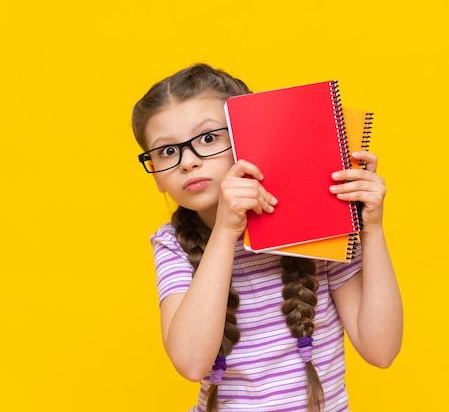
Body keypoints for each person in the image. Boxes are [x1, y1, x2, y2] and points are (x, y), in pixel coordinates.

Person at [131, 63, 403, 412]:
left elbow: (381, 350)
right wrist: (228, 231)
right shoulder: (172, 244)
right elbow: (190, 361)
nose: (188, 162)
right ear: (156, 176)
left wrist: (373, 230)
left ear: (249, 136)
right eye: (167, 151)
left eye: (209, 138)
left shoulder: (313, 224)